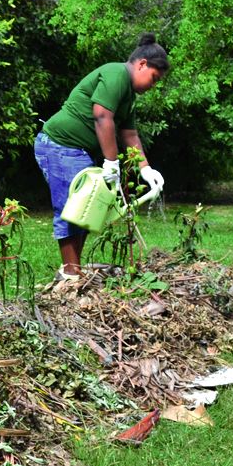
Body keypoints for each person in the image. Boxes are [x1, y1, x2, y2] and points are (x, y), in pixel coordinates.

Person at [34, 33, 169, 282]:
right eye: (154, 78)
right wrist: (111, 161)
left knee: (88, 211)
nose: (154, 85)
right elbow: (102, 115)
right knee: (72, 208)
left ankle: (72, 270)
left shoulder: (128, 96)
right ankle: (70, 273)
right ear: (142, 64)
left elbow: (130, 134)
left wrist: (146, 169)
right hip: (60, 145)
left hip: (76, 151)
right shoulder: (116, 74)